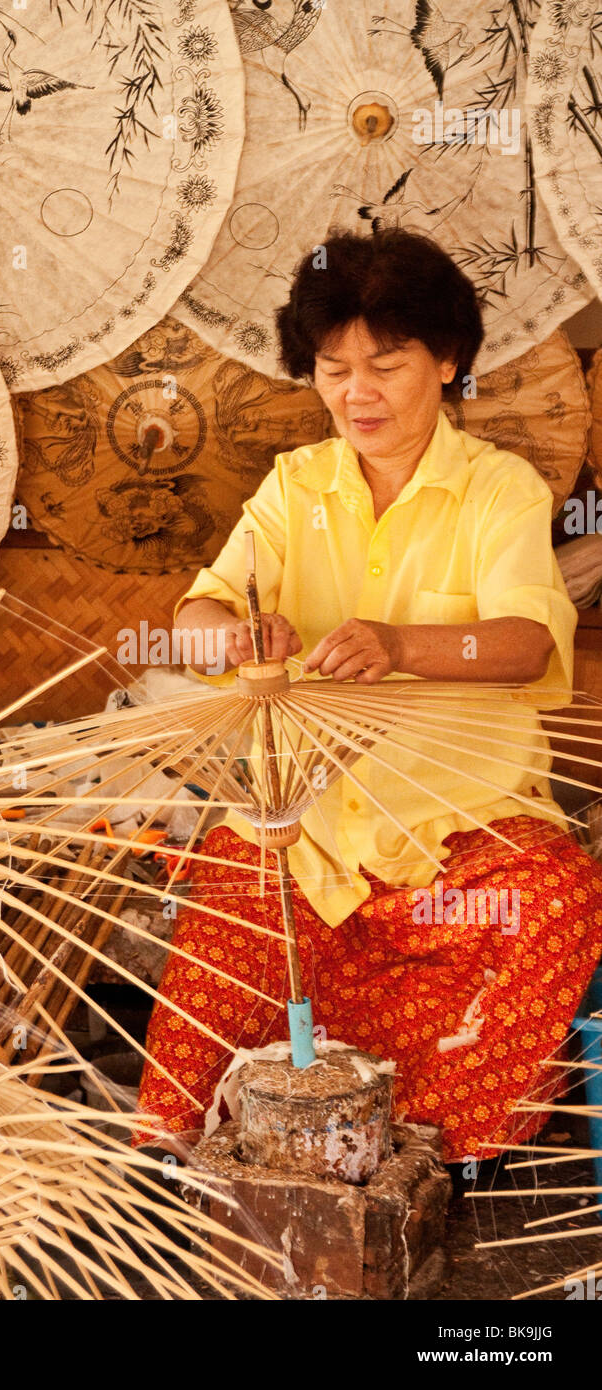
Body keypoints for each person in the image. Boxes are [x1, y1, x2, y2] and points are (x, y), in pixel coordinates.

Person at [134, 229, 602, 1166]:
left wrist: (398, 646)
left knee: (554, 901)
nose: (358, 393)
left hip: (459, 828)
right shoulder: (293, 485)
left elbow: (525, 643)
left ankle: (425, 1155)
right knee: (226, 925)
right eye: (333, 368)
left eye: (386, 364)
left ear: (446, 361)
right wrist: (228, 635)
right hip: (302, 830)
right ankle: (233, 1149)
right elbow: (195, 612)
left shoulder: (495, 490)